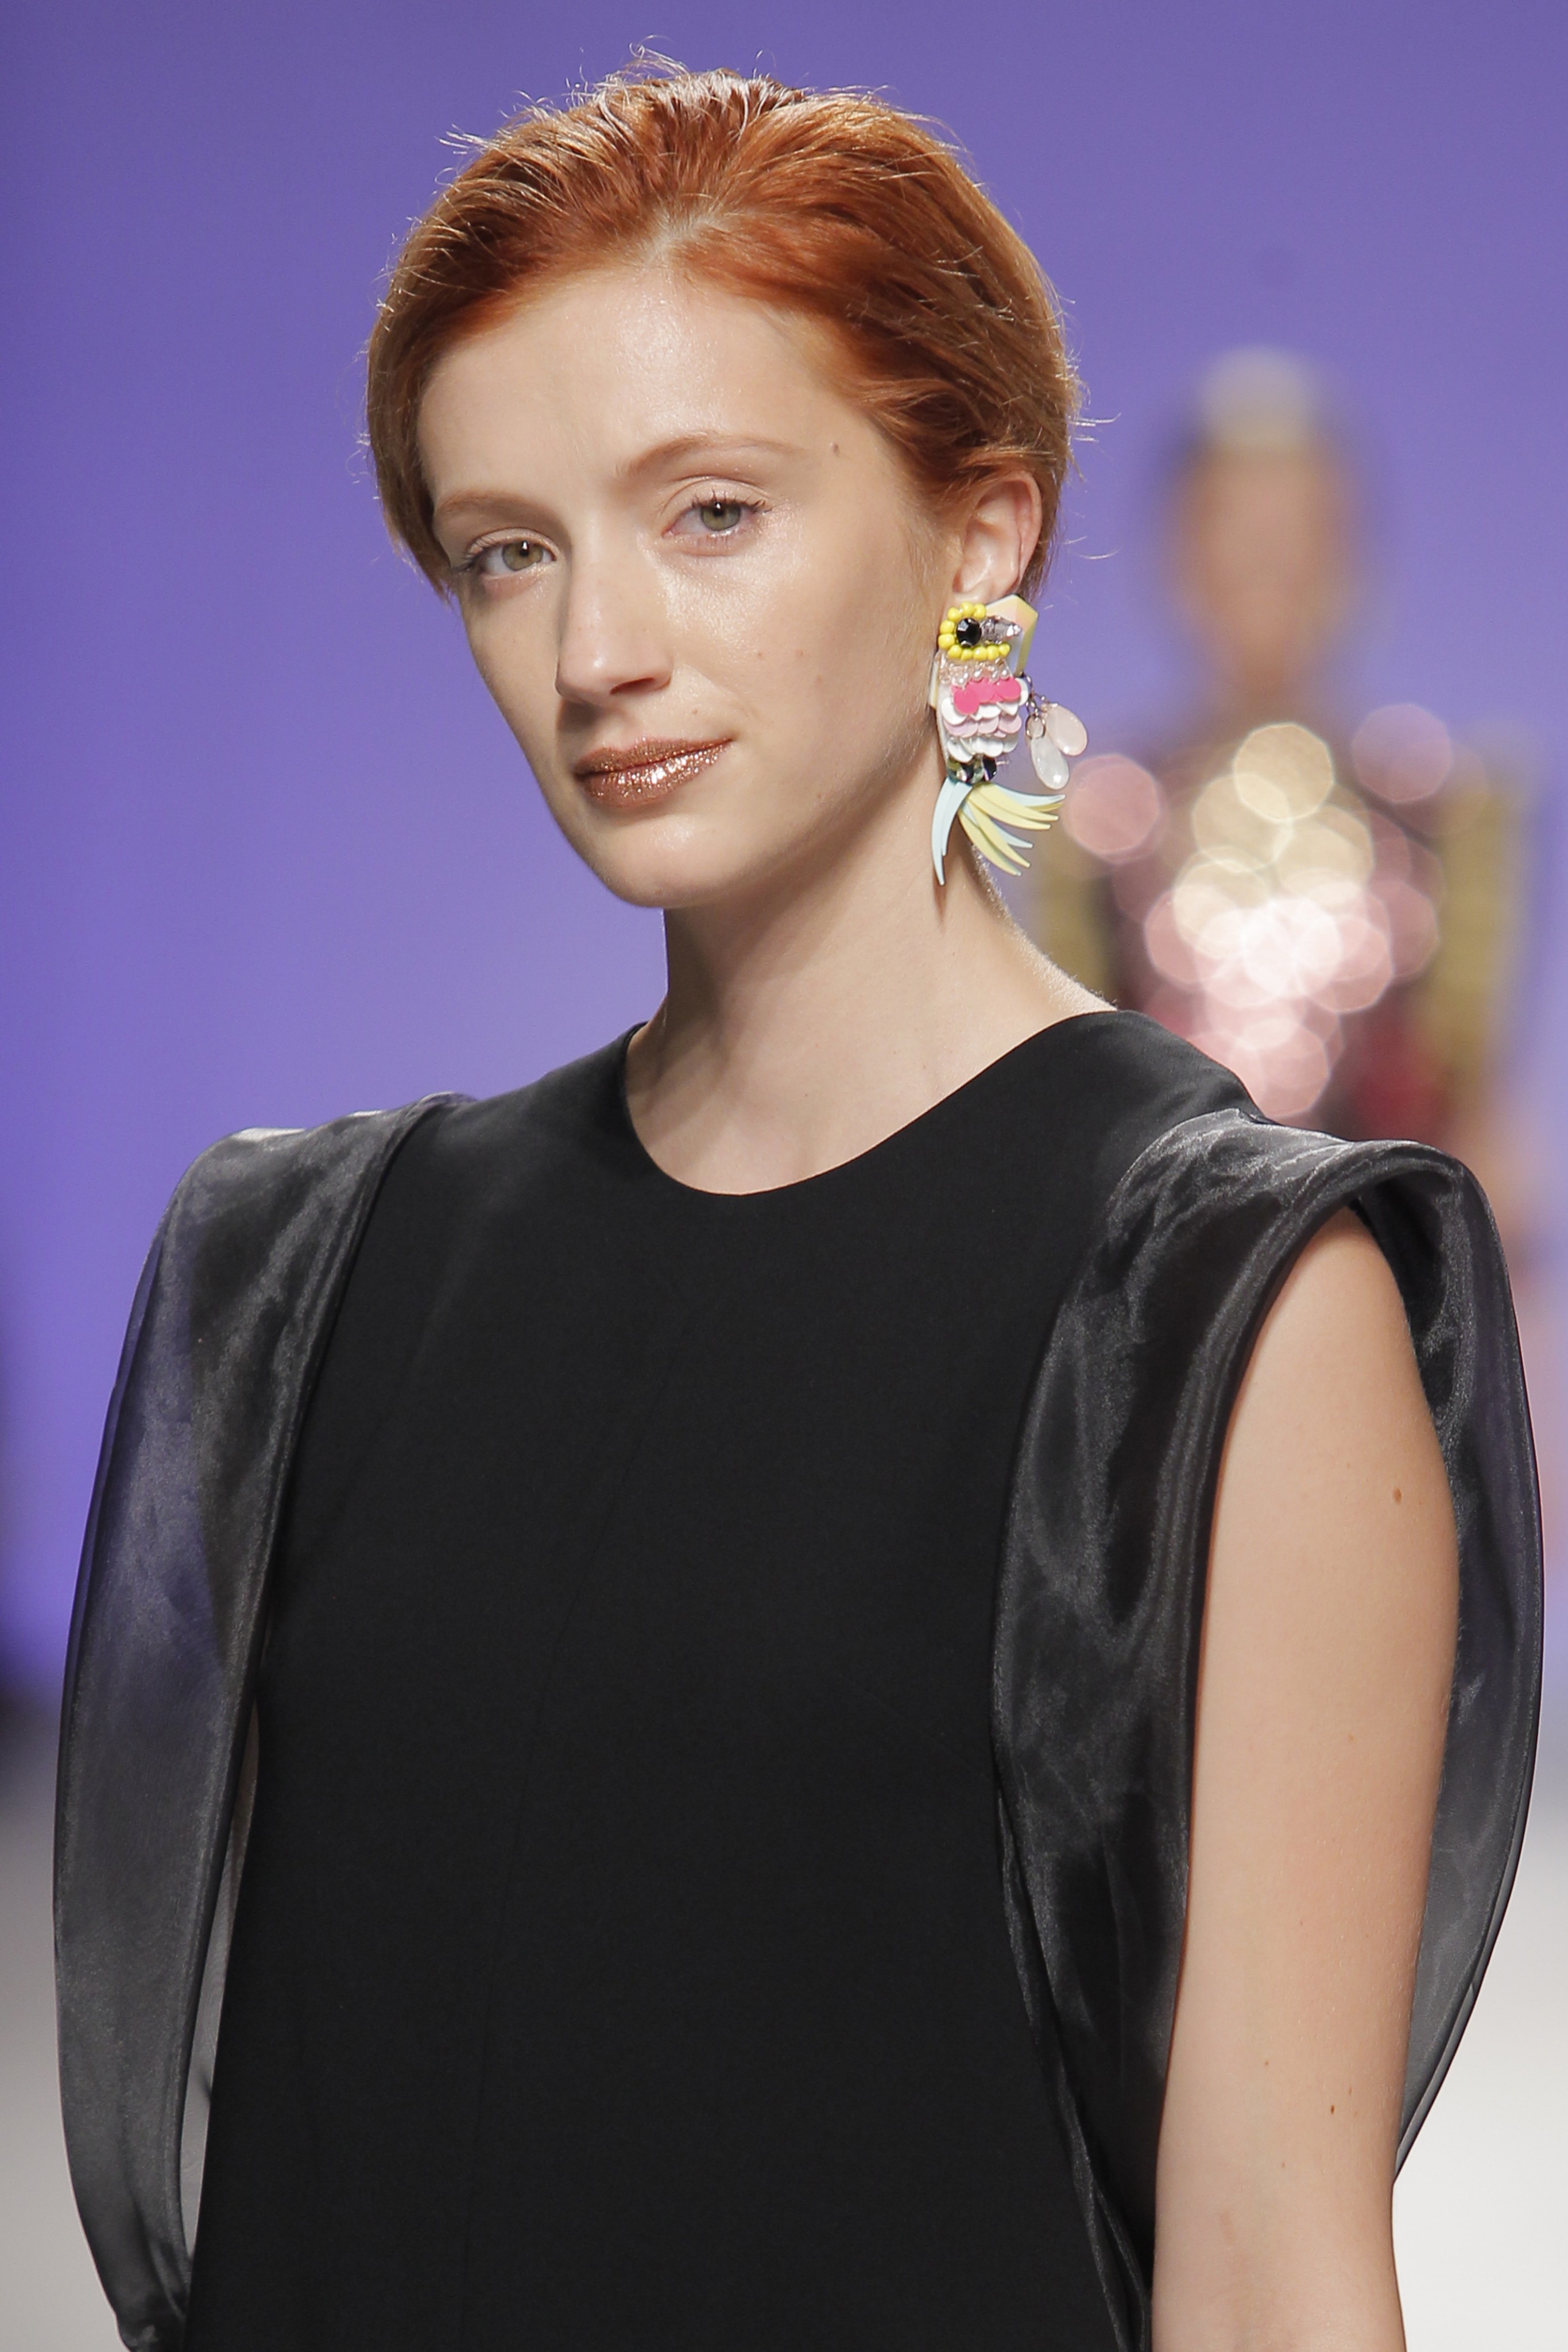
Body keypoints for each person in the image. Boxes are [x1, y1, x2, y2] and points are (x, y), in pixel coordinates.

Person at [55, 66, 1539, 2352]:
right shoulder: (314, 1275)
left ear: (978, 540)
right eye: (506, 549)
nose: (596, 650)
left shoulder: (1225, 1309)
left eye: (711, 512)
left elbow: (1264, 2268)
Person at [1036, 348, 1526, 1145]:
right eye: (1234, 525)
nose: (1267, 558)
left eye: (1299, 527)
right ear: (1178, 556)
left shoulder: (1443, 812)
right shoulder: (1099, 823)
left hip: (1384, 1220)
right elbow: (1072, 1112)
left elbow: (1479, 1124)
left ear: (1351, 555)